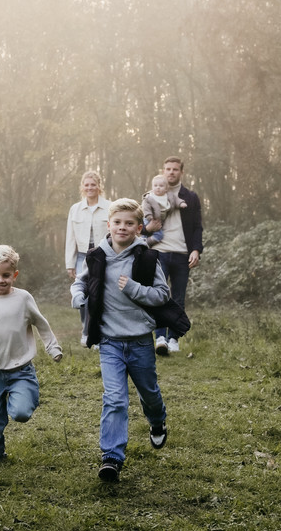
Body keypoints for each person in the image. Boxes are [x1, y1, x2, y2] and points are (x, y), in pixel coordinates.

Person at [70, 198, 175, 483]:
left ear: (139, 228)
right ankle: (112, 458)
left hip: (140, 340)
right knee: (115, 399)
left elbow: (162, 295)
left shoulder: (147, 258)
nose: (122, 227)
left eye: (129, 223)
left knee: (149, 393)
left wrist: (133, 288)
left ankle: (157, 421)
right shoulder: (97, 256)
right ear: (109, 225)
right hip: (110, 342)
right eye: (117, 222)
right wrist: (78, 295)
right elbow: (80, 281)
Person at [0, 245, 63, 465]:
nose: (0, 280)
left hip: (21, 370)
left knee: (21, 413)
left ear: (14, 275)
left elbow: (41, 324)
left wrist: (53, 347)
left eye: (6, 275)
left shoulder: (23, 299)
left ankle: (18, 399)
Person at [143, 156, 203, 356]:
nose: (171, 172)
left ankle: (173, 338)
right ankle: (159, 337)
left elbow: (197, 227)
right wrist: (146, 228)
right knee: (159, 296)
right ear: (163, 170)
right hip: (158, 252)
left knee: (178, 297)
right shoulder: (151, 195)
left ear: (181, 172)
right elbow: (137, 222)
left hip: (182, 254)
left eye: (175, 169)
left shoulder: (190, 197)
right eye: (167, 169)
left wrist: (196, 250)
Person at [65, 171, 111, 346]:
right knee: (82, 293)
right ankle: (86, 331)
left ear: (99, 186)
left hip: (104, 254)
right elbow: (70, 237)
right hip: (83, 257)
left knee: (101, 294)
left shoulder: (109, 206)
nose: (90, 188)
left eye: (93, 184)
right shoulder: (75, 209)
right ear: (82, 187)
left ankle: (100, 332)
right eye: (87, 185)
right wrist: (70, 263)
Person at [141, 174, 187, 247]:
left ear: (166, 188)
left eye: (161, 186)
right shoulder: (149, 197)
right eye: (155, 186)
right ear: (152, 187)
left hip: (159, 220)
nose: (158, 188)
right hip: (149, 218)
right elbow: (146, 208)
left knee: (159, 235)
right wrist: (149, 216)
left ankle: (145, 243)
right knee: (144, 234)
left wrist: (181, 204)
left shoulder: (169, 195)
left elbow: (175, 200)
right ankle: (141, 243)